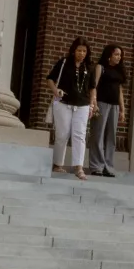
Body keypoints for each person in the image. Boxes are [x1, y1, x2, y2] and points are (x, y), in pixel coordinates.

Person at [46, 38, 97, 179]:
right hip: (63, 103)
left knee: (79, 135)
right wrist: (55, 90)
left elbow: (92, 87)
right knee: (62, 134)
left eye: (84, 51)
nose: (82, 53)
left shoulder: (89, 66)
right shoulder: (64, 62)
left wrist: (92, 104)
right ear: (74, 51)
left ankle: (78, 167)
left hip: (83, 105)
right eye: (79, 50)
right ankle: (58, 164)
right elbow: (50, 79)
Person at [84, 44, 128, 178]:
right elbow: (94, 86)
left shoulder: (119, 71)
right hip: (101, 104)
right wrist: (94, 102)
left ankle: (108, 167)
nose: (119, 57)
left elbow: (120, 91)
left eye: (120, 55)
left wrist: (122, 109)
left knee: (111, 137)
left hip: (114, 106)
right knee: (98, 134)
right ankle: (96, 166)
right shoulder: (100, 67)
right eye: (116, 54)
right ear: (109, 55)